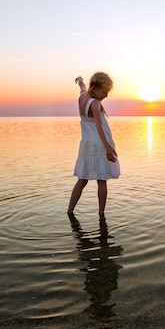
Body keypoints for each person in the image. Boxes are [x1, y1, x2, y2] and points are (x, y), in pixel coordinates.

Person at [68, 72, 120, 219]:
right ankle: (101, 214)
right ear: (96, 87)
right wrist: (108, 147)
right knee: (102, 180)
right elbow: (99, 127)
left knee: (82, 179)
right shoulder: (95, 104)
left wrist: (80, 80)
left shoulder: (82, 96)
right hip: (99, 144)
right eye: (105, 92)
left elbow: (82, 87)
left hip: (86, 144)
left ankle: (70, 211)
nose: (106, 96)